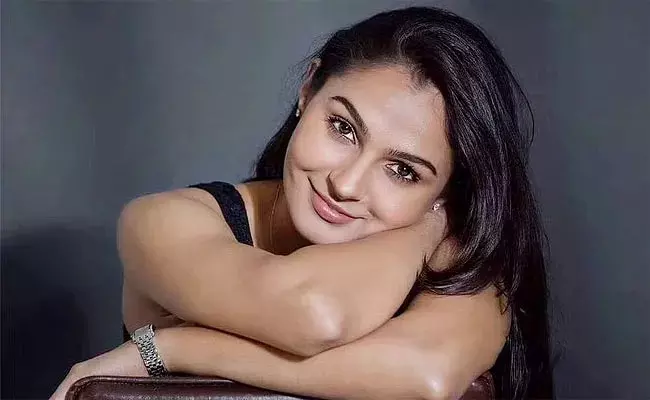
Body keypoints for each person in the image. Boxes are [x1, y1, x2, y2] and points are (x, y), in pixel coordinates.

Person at [52, 6, 553, 400]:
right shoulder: (164, 221)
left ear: (447, 190)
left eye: (403, 171)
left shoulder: (464, 261)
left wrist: (173, 348)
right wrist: (429, 227)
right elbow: (313, 314)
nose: (346, 184)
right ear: (308, 90)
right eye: (343, 128)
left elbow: (428, 374)